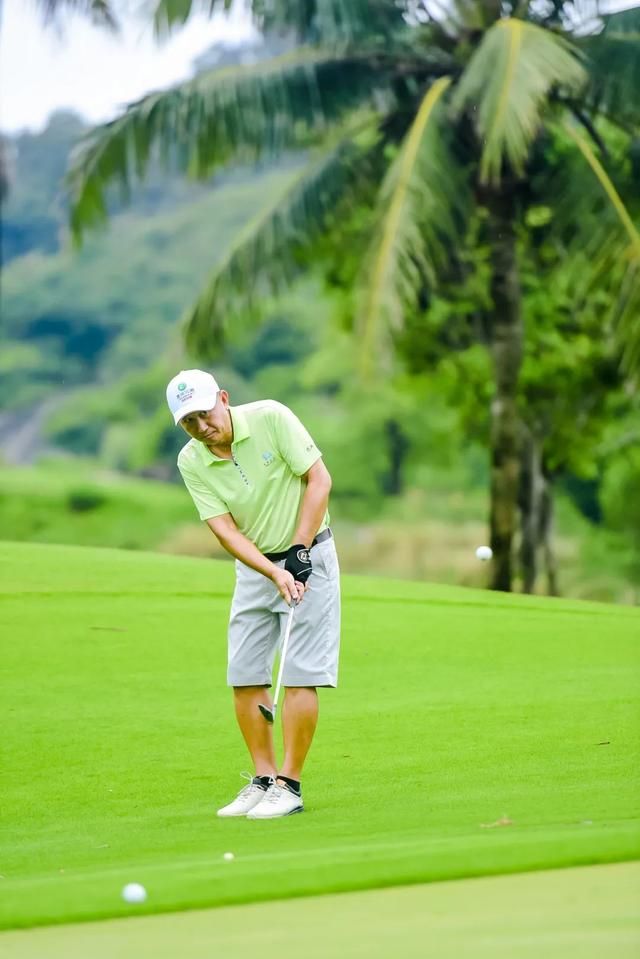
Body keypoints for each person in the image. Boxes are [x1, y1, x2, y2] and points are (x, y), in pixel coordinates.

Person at [166, 369, 341, 819]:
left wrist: (299, 551)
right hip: (255, 566)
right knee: (244, 672)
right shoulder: (191, 460)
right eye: (189, 422)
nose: (202, 427)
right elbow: (224, 529)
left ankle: (290, 784)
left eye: (205, 414)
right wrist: (269, 570)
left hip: (310, 556)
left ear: (223, 399)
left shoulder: (271, 417)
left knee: (301, 671)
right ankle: (263, 779)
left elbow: (319, 480)